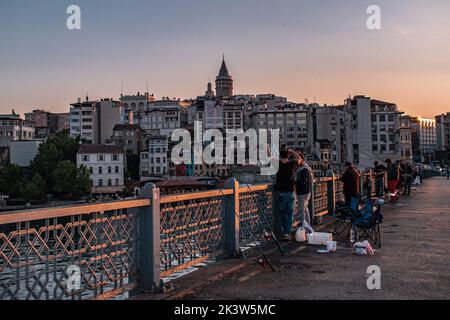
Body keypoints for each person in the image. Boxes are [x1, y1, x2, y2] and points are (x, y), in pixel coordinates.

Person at [274, 148, 303, 241]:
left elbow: (270, 157)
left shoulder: (277, 165)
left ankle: (283, 231)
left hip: (281, 193)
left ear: (280, 156)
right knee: (289, 213)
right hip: (290, 192)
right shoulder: (292, 164)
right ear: (288, 156)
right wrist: (292, 151)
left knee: (282, 213)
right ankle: (287, 233)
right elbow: (300, 159)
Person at [295, 154, 312, 227]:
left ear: (302, 160)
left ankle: (304, 225)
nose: (297, 161)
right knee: (305, 209)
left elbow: (303, 182)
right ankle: (307, 224)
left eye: (298, 160)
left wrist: (295, 183)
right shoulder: (305, 168)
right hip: (306, 191)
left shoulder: (304, 169)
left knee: (302, 210)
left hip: (303, 192)